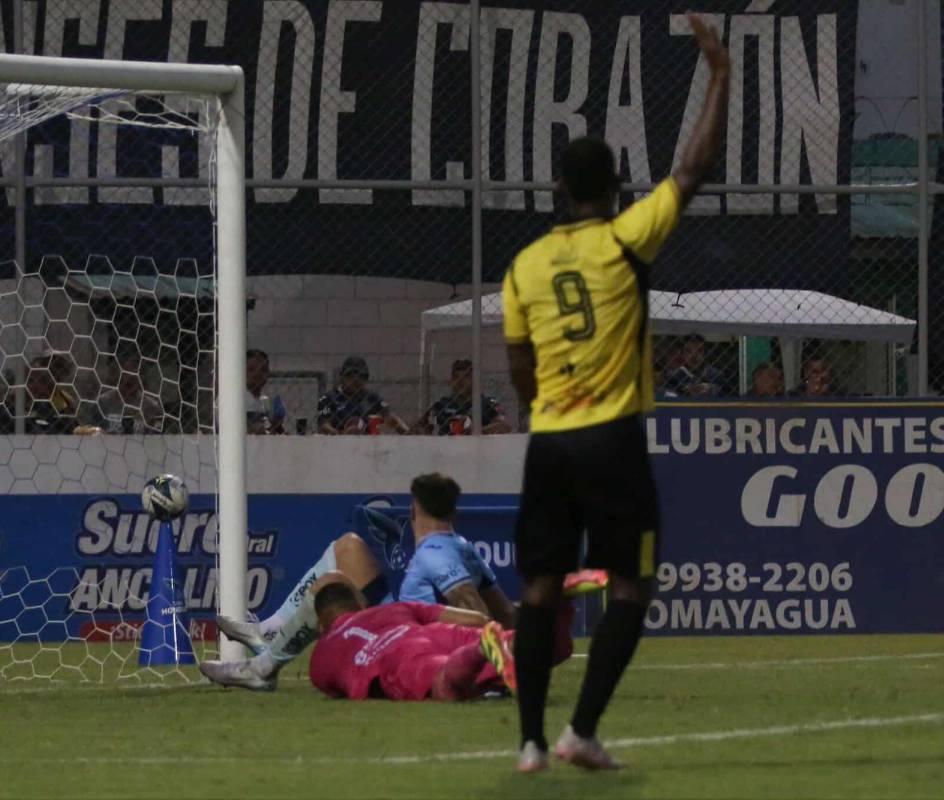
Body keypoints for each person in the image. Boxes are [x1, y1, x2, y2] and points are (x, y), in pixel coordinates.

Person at [501, 14, 729, 773]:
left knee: (539, 587)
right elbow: (693, 170)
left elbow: (518, 362)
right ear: (614, 189)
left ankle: (531, 742)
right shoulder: (627, 240)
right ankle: (582, 730)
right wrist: (719, 72)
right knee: (630, 584)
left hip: (550, 439)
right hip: (613, 438)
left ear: (559, 188)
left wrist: (545, 410)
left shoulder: (525, 266)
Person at [199, 472, 576, 692]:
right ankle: (270, 631)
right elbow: (503, 612)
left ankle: (264, 666)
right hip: (400, 615)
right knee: (347, 548)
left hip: (400, 631)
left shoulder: (436, 554)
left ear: (413, 510)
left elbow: (475, 610)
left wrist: (487, 648)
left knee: (330, 584)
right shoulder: (461, 546)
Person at [306, 577, 515, 702]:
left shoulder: (320, 657)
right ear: (360, 603)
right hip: (428, 632)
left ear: (322, 624)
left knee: (445, 686)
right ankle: (503, 644)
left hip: (396, 658)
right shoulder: (392, 608)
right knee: (517, 642)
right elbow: (478, 619)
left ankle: (480, 650)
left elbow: (337, 690)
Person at [416, 359, 512, 435]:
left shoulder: (487, 403)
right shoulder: (442, 405)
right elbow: (419, 427)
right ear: (451, 381)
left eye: (466, 377)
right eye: (456, 377)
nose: (460, 381)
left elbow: (505, 426)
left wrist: (477, 432)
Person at [317, 356, 409, 435]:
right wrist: (341, 435)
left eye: (361, 376)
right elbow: (324, 425)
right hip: (336, 443)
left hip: (367, 443)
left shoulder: (372, 397)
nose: (356, 379)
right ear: (342, 377)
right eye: (350, 375)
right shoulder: (327, 398)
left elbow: (390, 416)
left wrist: (408, 433)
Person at [86, 348, 163, 433]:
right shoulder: (102, 402)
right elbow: (92, 429)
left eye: (133, 378)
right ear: (118, 375)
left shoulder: (151, 406)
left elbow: (157, 431)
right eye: (125, 376)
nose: (128, 379)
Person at [245, 349, 286, 434]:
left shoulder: (266, 400)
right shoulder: (231, 397)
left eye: (263, 370)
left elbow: (269, 427)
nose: (258, 374)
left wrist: (277, 425)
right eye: (251, 369)